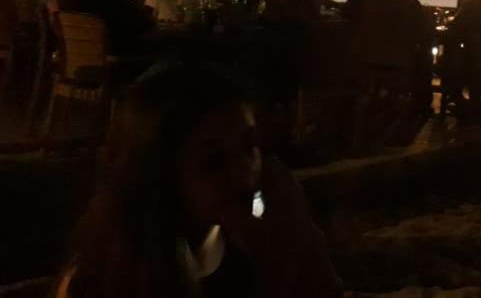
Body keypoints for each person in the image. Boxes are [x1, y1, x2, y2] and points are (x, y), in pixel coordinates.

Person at [55, 63, 342, 298]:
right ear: (160, 173)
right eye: (213, 162)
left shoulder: (268, 222)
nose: (244, 171)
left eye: (249, 146)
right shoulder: (107, 277)